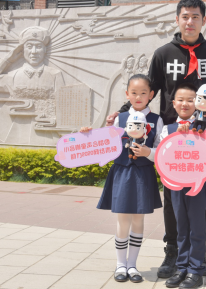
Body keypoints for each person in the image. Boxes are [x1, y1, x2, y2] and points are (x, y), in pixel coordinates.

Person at [105, 0, 206, 278]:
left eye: (195, 17)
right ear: (177, 19)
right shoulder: (164, 53)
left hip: (203, 139)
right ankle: (172, 253)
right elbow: (148, 90)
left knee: (200, 197)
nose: (190, 21)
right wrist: (122, 112)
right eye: (185, 16)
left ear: (203, 20)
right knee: (174, 198)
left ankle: (198, 254)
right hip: (170, 139)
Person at [80, 74, 163, 283]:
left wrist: (148, 153)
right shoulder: (120, 118)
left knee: (138, 219)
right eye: (134, 93)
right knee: (123, 219)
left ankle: (133, 265)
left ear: (151, 95)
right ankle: (120, 264)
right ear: (127, 94)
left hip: (143, 173)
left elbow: (162, 150)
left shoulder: (156, 120)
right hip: (123, 172)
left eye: (143, 93)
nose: (138, 96)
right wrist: (88, 135)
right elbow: (106, 144)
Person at [159, 83, 206, 288]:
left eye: (191, 100)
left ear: (199, 102)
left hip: (197, 185)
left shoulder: (205, 125)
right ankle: (182, 268)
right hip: (175, 185)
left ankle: (195, 270)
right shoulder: (168, 129)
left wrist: (202, 130)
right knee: (181, 228)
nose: (185, 103)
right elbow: (162, 154)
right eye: (180, 100)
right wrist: (178, 135)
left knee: (197, 228)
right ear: (173, 104)